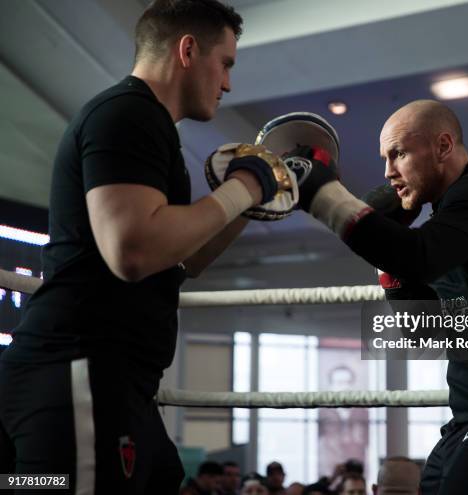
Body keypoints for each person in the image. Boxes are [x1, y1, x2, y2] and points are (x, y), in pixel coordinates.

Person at [0, 1, 295, 493]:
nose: (228, 84)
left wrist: (261, 199)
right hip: (79, 374)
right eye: (225, 64)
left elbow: (183, 256)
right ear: (187, 50)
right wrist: (243, 187)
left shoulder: (152, 130)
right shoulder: (128, 114)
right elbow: (132, 252)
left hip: (112, 382)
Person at [283, 99, 468, 494]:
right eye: (385, 158)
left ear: (442, 146)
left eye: (399, 154)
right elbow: (428, 332)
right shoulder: (452, 226)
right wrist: (388, 264)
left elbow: (419, 258)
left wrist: (321, 192)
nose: (388, 172)